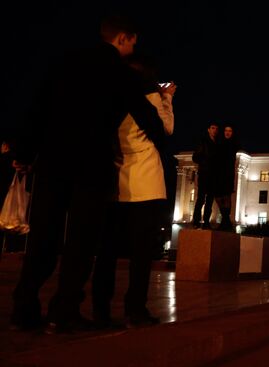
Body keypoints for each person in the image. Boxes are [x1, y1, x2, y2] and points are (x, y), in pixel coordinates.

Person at [10, 15, 165, 333]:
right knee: (80, 242)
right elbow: (150, 120)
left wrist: (25, 153)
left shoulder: (65, 61)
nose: (133, 48)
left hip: (53, 162)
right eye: (133, 41)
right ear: (123, 38)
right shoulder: (121, 73)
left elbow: (36, 108)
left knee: (43, 238)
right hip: (92, 166)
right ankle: (63, 311)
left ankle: (23, 309)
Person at [91, 54, 176, 328]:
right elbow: (166, 128)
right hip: (146, 181)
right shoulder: (148, 97)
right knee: (141, 253)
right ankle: (135, 309)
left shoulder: (106, 99)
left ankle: (100, 309)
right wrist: (167, 99)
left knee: (107, 250)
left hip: (114, 179)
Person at [192, 122, 219, 229]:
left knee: (210, 200)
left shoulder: (217, 143)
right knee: (201, 199)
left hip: (213, 175)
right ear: (208, 129)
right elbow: (195, 157)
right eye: (213, 128)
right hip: (204, 174)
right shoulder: (203, 142)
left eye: (216, 128)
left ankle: (206, 222)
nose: (215, 130)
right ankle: (196, 221)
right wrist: (204, 161)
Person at [214, 124, 241, 231]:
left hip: (228, 172)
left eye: (230, 130)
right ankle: (226, 219)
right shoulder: (219, 142)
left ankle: (225, 221)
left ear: (232, 133)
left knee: (226, 195)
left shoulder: (234, 143)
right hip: (219, 172)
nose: (227, 132)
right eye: (226, 130)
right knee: (218, 196)